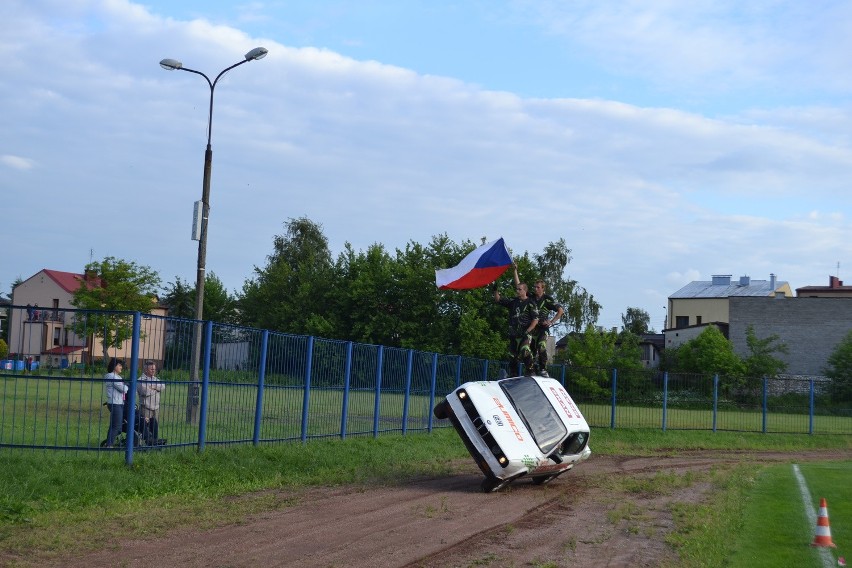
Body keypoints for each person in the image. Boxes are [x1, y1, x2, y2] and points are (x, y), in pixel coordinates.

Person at [494, 267, 539, 376]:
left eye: (519, 289)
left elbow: (535, 320)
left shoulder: (530, 303)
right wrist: (495, 290)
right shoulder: (513, 302)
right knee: (512, 357)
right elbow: (498, 299)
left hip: (525, 334)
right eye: (517, 289)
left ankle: (531, 370)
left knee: (524, 350)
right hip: (514, 334)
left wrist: (528, 331)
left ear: (525, 291)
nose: (517, 291)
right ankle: (513, 376)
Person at [527, 279, 564, 377]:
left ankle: (543, 369)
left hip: (543, 329)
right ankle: (532, 369)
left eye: (538, 287)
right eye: (534, 287)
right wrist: (515, 271)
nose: (535, 289)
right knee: (529, 351)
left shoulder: (547, 299)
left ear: (543, 288)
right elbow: (520, 286)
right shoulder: (531, 297)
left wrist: (551, 322)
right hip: (532, 329)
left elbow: (560, 310)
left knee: (541, 346)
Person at [137, 360, 164, 442]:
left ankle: (154, 441)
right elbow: (144, 392)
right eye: (152, 369)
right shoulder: (141, 379)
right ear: (146, 370)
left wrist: (152, 387)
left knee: (154, 426)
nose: (154, 371)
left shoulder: (155, 379)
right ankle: (147, 441)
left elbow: (162, 387)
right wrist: (156, 388)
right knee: (146, 426)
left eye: (154, 369)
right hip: (146, 407)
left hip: (156, 407)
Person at [104, 358, 128, 447]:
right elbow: (124, 389)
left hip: (119, 403)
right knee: (116, 426)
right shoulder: (111, 376)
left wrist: (125, 386)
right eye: (119, 365)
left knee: (115, 425)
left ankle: (109, 443)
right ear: (114, 366)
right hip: (115, 403)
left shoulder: (118, 377)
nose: (121, 367)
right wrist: (126, 386)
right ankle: (109, 445)